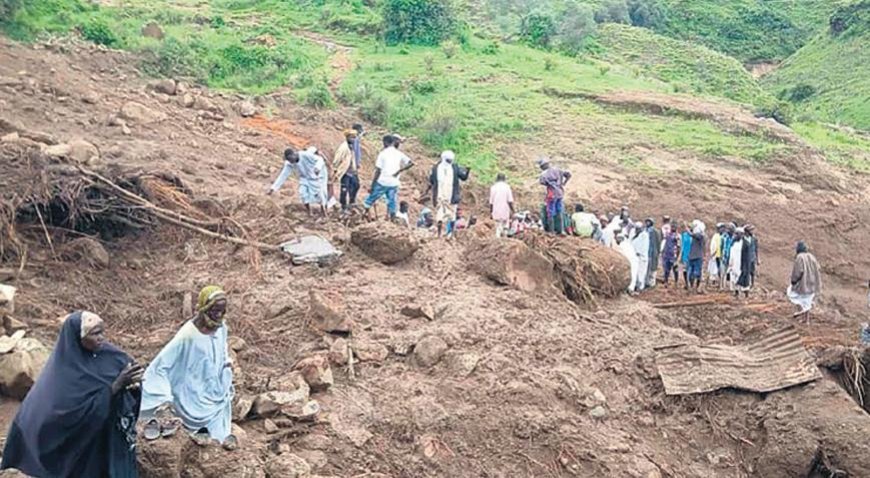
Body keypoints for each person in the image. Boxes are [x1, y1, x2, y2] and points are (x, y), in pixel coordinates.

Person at [1, 312, 143, 477]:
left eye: (102, 332)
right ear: (78, 338)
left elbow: (129, 371)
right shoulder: (63, 373)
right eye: (95, 334)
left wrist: (133, 384)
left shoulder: (110, 354)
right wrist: (114, 387)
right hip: (79, 447)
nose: (101, 338)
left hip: (106, 437)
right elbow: (66, 416)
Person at [141, 286, 234, 445]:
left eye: (222, 311)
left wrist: (226, 366)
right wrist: (163, 396)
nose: (218, 315)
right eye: (214, 311)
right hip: (190, 392)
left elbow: (222, 350)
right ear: (205, 308)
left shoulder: (221, 328)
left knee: (219, 434)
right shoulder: (188, 334)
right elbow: (161, 365)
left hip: (213, 389)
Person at [364, 135, 413, 220]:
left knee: (371, 198)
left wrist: (373, 185)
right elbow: (411, 163)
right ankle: (392, 219)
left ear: (385, 143)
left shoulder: (382, 154)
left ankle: (364, 214)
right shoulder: (399, 153)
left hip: (383, 181)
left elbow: (378, 171)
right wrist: (399, 171)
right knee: (392, 201)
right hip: (394, 182)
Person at [268, 147, 327, 217]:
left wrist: (317, 168)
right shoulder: (289, 163)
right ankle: (309, 211)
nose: (290, 161)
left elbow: (320, 159)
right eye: (288, 160)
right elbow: (283, 175)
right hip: (304, 178)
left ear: (294, 154)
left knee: (320, 194)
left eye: (290, 159)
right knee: (303, 193)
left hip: (317, 175)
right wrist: (273, 188)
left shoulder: (305, 155)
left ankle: (323, 211)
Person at [428, 150, 470, 238]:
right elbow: (463, 177)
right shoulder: (454, 167)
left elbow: (431, 180)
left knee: (440, 213)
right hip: (452, 195)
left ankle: (439, 233)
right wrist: (467, 171)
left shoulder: (435, 168)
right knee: (452, 214)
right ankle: (451, 234)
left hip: (439, 195)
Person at [788, 241, 822, 321]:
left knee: (796, 296)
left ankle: (800, 312)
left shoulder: (800, 257)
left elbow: (798, 270)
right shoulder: (812, 257)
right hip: (813, 283)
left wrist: (794, 280)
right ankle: (806, 319)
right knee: (808, 300)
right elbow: (818, 267)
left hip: (803, 283)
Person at [537, 158, 572, 235]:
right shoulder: (558, 170)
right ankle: (561, 230)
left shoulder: (544, 174)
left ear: (542, 166)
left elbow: (542, 182)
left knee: (550, 213)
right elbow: (569, 175)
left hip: (551, 194)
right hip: (560, 193)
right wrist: (564, 183)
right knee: (559, 211)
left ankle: (552, 231)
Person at [332, 128, 361, 212]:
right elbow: (336, 160)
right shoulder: (343, 148)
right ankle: (343, 206)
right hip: (345, 172)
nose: (353, 139)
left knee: (356, 186)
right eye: (352, 137)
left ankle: (352, 202)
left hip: (352, 171)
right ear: (347, 137)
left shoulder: (351, 146)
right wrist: (336, 169)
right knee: (344, 189)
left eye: (354, 137)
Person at [490, 173, 514, 238]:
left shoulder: (493, 187)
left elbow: (491, 202)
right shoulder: (507, 187)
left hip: (496, 210)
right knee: (505, 226)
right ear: (504, 179)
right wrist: (513, 210)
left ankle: (497, 239)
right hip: (505, 210)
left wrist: (491, 211)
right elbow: (510, 201)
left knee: (498, 227)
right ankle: (504, 239)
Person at [729, 228, 752, 298]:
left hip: (742, 264)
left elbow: (748, 257)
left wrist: (746, 267)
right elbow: (731, 253)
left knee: (744, 279)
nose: (736, 235)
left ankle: (746, 295)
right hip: (734, 264)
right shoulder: (733, 242)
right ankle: (736, 293)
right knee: (734, 278)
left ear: (742, 234)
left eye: (737, 234)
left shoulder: (746, 244)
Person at [687, 220, 706, 293]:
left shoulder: (700, 236)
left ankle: (695, 288)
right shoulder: (699, 236)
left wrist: (688, 230)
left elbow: (693, 235)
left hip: (697, 257)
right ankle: (693, 287)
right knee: (691, 274)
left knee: (696, 273)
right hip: (693, 256)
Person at [632, 222, 650, 292]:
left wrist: (639, 252)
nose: (637, 230)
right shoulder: (635, 235)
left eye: (638, 228)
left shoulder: (644, 235)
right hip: (635, 257)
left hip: (641, 257)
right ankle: (636, 286)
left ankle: (640, 287)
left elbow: (643, 247)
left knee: (641, 273)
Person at [661, 223, 680, 288]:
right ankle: (666, 281)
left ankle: (676, 282)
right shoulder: (668, 235)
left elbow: (678, 246)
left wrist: (677, 256)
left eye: (674, 227)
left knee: (675, 269)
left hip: (673, 255)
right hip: (667, 254)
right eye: (672, 227)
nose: (673, 228)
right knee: (666, 269)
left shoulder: (677, 236)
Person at [646, 218, 661, 288]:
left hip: (653, 252)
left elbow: (658, 242)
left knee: (653, 268)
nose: (647, 223)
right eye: (646, 222)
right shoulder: (645, 231)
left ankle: (652, 283)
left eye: (648, 222)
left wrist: (657, 252)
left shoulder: (656, 232)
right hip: (646, 252)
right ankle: (646, 282)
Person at [707, 224, 723, 288]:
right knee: (714, 268)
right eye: (721, 228)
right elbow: (713, 246)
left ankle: (719, 282)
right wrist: (713, 253)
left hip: (720, 256)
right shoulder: (715, 236)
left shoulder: (722, 236)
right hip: (716, 255)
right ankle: (714, 281)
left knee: (719, 269)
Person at [679, 222, 693, 289]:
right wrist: (680, 255)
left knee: (690, 270)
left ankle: (691, 283)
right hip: (685, 254)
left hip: (692, 254)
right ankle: (686, 283)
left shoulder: (693, 236)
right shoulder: (684, 235)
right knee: (685, 270)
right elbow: (682, 245)